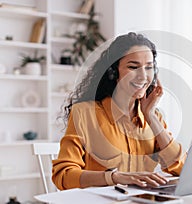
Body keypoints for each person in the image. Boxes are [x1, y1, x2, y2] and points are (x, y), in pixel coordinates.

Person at [52, 32, 185, 190]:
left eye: (149, 67)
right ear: (113, 72)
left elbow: (182, 170)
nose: (143, 76)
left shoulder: (153, 117)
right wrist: (114, 178)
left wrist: (150, 116)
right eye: (133, 67)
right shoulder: (84, 113)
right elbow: (63, 175)